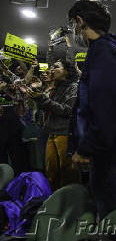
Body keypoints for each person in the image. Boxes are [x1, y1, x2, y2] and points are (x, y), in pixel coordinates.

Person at [68, 0, 116, 219]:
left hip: (107, 149)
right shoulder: (109, 50)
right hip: (113, 144)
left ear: (80, 21)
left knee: (108, 210)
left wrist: (86, 148)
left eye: (72, 26)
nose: (72, 32)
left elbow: (105, 109)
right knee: (110, 203)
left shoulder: (103, 52)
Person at [24, 59, 80, 191]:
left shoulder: (74, 87)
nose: (52, 69)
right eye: (52, 67)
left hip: (65, 133)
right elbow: (48, 108)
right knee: (51, 172)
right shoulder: (57, 87)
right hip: (52, 131)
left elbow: (67, 110)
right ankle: (53, 201)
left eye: (56, 67)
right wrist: (37, 97)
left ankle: (72, 201)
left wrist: (42, 99)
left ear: (67, 71)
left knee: (68, 173)